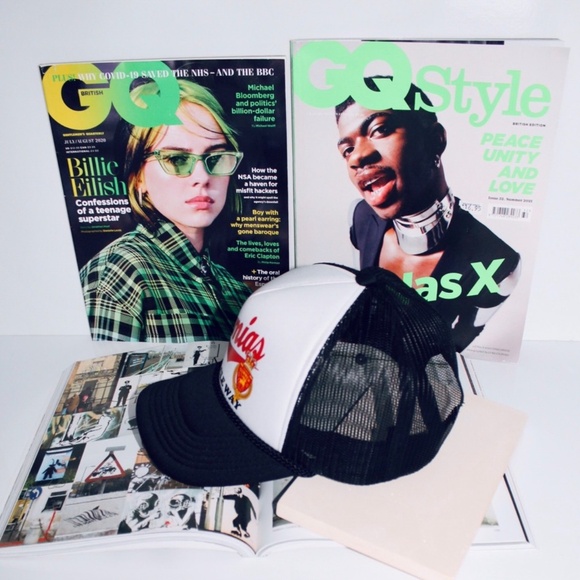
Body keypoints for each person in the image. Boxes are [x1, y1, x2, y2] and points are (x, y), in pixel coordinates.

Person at [335, 79, 521, 351]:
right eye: (347, 150)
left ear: (435, 140)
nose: (356, 158)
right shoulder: (359, 215)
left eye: (380, 129)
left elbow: (458, 342)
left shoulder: (500, 262)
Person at [80, 79, 252, 342]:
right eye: (176, 159)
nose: (202, 177)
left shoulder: (235, 289)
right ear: (138, 177)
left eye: (216, 157)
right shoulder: (120, 272)